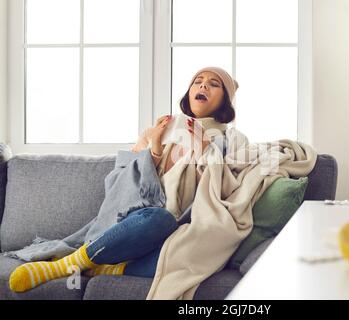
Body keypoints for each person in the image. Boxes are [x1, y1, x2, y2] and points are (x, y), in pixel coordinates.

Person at [9, 66, 239, 293]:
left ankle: (99, 268)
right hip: (138, 223)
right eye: (197, 81)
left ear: (225, 101)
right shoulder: (160, 131)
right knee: (159, 218)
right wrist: (154, 150)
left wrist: (204, 154)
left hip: (175, 233)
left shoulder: (228, 141)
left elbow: (221, 193)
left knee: (190, 256)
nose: (203, 85)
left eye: (214, 84)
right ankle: (68, 264)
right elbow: (116, 184)